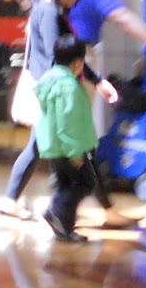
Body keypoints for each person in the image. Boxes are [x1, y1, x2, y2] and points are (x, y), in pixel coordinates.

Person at [0, 0, 130, 226]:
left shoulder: (48, 8)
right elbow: (58, 55)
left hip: (49, 90)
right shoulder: (49, 13)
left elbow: (64, 54)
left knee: (40, 147)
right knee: (80, 147)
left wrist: (96, 80)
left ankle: (13, 201)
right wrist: (79, 84)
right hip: (55, 93)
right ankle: (97, 211)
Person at [34, 35, 99, 243]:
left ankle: (65, 229)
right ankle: (55, 212)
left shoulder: (49, 80)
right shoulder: (68, 86)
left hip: (53, 145)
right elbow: (67, 122)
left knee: (65, 184)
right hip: (68, 148)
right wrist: (75, 152)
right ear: (79, 62)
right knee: (86, 182)